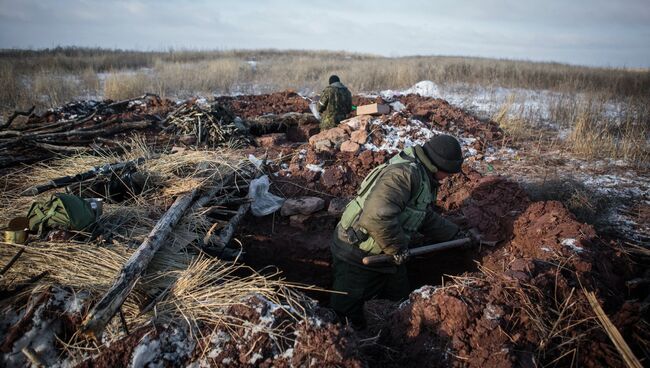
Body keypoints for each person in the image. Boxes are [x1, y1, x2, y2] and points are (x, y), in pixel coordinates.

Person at [330, 134, 467, 329]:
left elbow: (422, 215)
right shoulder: (404, 174)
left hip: (388, 256)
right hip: (357, 253)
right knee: (345, 315)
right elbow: (376, 216)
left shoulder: (424, 174)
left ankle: (399, 340)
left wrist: (455, 234)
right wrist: (397, 248)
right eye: (449, 173)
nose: (448, 178)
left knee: (403, 301)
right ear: (438, 166)